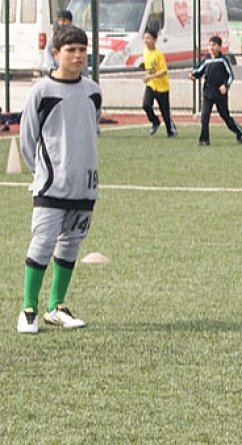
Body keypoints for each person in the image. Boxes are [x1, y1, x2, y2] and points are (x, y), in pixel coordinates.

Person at [17, 25, 101, 334]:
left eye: (82, 50)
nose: (78, 56)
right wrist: (41, 175)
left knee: (70, 246)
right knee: (42, 245)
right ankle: (28, 308)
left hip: (85, 187)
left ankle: (56, 306)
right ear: (56, 54)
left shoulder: (93, 90)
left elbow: (89, 130)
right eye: (71, 50)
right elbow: (27, 139)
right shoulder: (42, 91)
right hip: (51, 186)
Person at [189, 35, 242, 146]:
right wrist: (192, 75)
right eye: (210, 45)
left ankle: (239, 131)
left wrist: (226, 86)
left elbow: (230, 76)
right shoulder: (206, 60)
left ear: (220, 47)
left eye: (214, 45)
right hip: (208, 93)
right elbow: (198, 71)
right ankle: (204, 140)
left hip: (220, 94)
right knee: (205, 116)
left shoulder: (223, 60)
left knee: (225, 115)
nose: (211, 47)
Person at [142, 29, 176, 138]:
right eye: (145, 38)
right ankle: (155, 121)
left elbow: (163, 71)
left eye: (148, 38)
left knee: (165, 111)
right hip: (151, 85)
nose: (146, 41)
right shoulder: (145, 51)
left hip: (162, 87)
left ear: (155, 40)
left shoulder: (159, 54)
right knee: (146, 105)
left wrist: (150, 76)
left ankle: (170, 130)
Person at [43, 10, 89, 77]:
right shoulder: (53, 40)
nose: (62, 23)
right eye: (60, 20)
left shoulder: (76, 36)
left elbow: (84, 68)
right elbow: (48, 60)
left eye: (64, 20)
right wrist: (53, 71)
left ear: (70, 22)